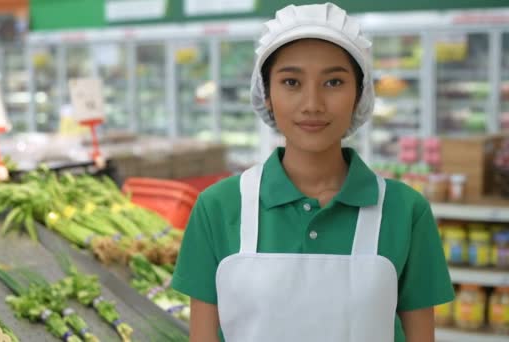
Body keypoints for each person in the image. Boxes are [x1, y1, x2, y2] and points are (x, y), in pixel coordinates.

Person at [171, 3, 454, 342]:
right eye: (291, 82)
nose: (313, 103)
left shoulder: (405, 211)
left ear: (359, 94)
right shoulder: (218, 207)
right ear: (267, 94)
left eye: (333, 82)